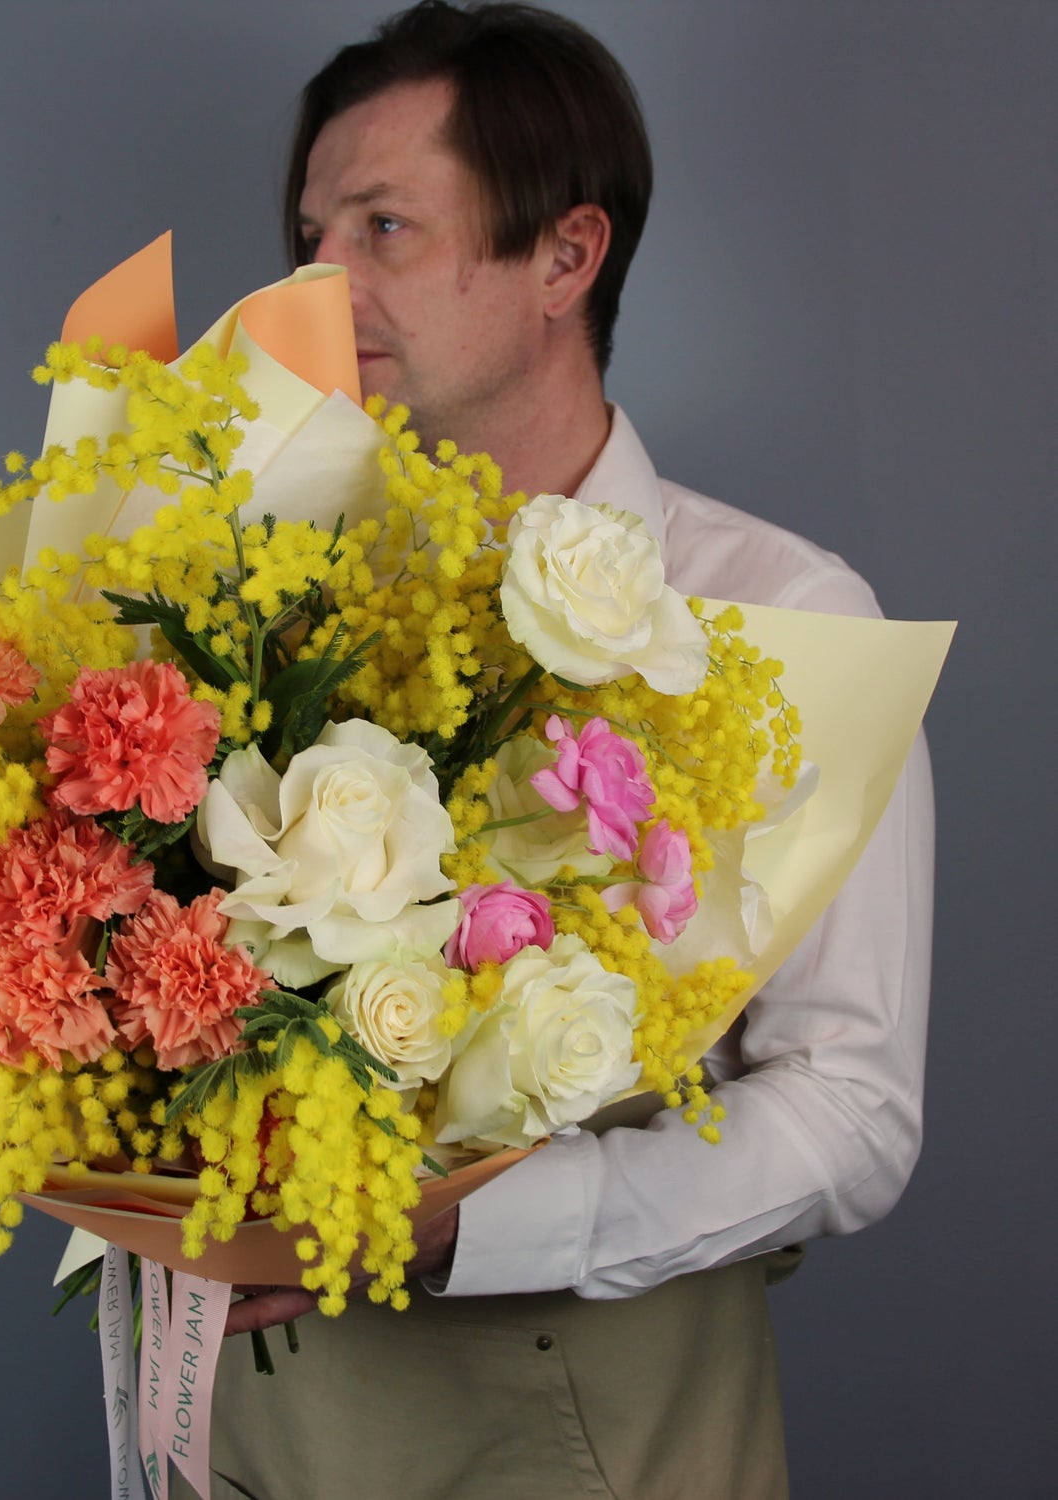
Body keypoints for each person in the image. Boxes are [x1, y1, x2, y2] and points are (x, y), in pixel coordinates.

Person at [187, 5, 935, 1496]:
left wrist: (487, 1222)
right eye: (307, 233)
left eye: (386, 228)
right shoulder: (247, 590)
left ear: (565, 259)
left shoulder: (785, 621)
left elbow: (856, 1111)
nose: (319, 289)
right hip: (255, 1420)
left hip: (597, 1430)